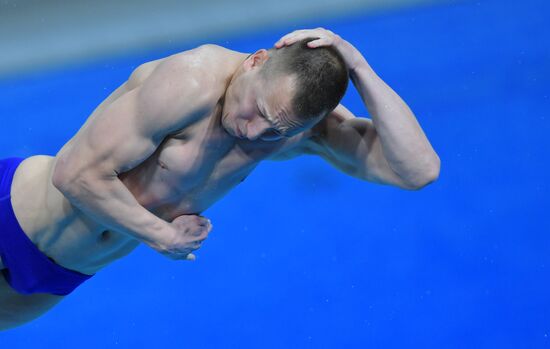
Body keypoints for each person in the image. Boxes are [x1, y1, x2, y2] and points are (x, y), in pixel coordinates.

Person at [0, 28, 440, 330]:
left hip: (59, 277)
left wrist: (358, 65)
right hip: (10, 215)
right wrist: (161, 235)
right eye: (258, 112)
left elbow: (417, 170)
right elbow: (74, 174)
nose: (252, 132)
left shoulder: (292, 129)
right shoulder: (189, 83)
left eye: (275, 130)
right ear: (255, 61)